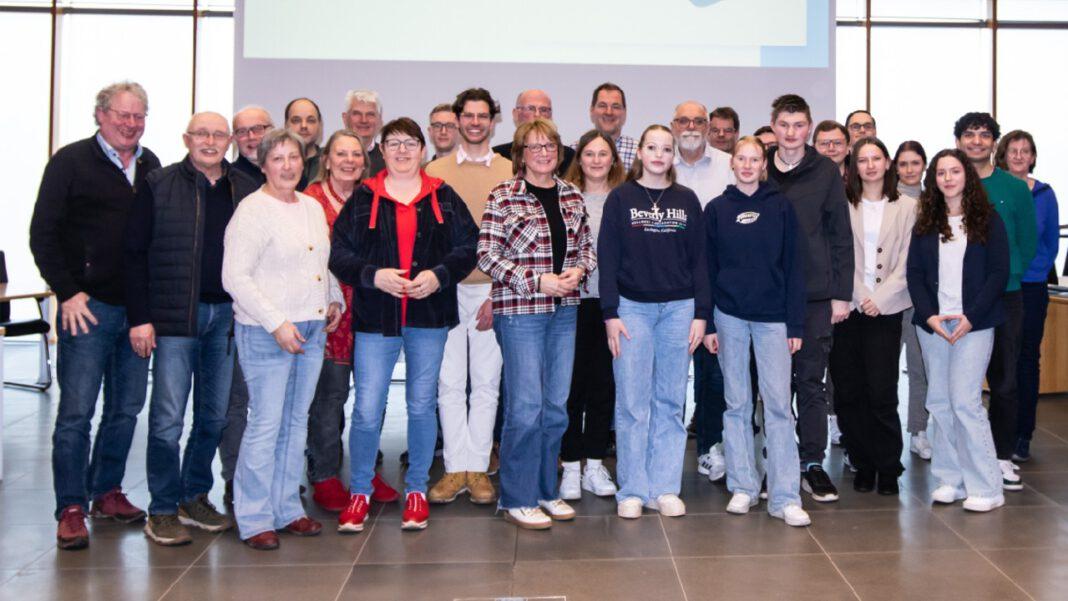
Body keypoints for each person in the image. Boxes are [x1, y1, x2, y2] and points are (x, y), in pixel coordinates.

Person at [330, 118, 479, 533]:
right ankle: (359, 491)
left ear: (422, 148)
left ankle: (416, 488)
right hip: (376, 319)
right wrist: (371, 275)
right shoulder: (363, 198)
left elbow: (470, 246)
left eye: (409, 143)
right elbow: (338, 253)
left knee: (419, 404)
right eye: (393, 143)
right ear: (381, 148)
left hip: (428, 317)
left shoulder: (443, 197)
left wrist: (439, 275)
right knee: (367, 407)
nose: (401, 150)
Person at [29, 81, 160, 551]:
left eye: (139, 116)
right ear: (100, 115)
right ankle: (70, 506)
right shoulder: (70, 162)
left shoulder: (150, 166)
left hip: (137, 313)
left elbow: (153, 241)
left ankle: (106, 491)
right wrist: (68, 292)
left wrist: (149, 310)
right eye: (123, 115)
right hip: (87, 310)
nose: (131, 124)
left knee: (125, 409)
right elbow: (42, 233)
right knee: (76, 413)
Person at [124, 112, 258, 546]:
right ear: (187, 138)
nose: (211, 140)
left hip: (227, 319)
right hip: (175, 319)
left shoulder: (245, 187)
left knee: (214, 416)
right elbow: (135, 252)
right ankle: (162, 508)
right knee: (166, 419)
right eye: (202, 133)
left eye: (219, 134)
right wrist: (140, 318)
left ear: (230, 141)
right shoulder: (159, 185)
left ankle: (194, 496)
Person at [222, 128, 345, 550]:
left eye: (293, 157)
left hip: (310, 328)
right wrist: (276, 322)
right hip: (267, 333)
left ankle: (287, 508)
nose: (288, 166)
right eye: (278, 159)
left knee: (296, 424)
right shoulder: (252, 211)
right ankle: (254, 517)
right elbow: (235, 277)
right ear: (263, 164)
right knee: (265, 424)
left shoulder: (310, 206)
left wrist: (332, 298)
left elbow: (320, 261)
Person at [477, 118, 596, 529]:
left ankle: (546, 490)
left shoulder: (572, 196)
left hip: (565, 310)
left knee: (555, 408)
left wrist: (579, 272)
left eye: (550, 146)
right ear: (520, 155)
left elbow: (586, 250)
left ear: (560, 152)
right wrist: (538, 280)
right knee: (525, 408)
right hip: (521, 312)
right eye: (534, 147)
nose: (544, 153)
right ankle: (517, 496)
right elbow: (488, 256)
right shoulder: (504, 196)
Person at [599, 124, 709, 520]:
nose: (659, 154)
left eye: (666, 148)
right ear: (640, 153)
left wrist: (701, 314)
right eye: (652, 147)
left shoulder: (687, 200)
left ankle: (664, 487)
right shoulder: (620, 198)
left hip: (679, 309)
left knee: (669, 399)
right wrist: (610, 313)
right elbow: (607, 259)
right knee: (631, 401)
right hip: (632, 309)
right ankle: (632, 488)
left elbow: (700, 260)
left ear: (672, 155)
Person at [703, 136, 810, 526]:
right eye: (741, 159)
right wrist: (710, 322)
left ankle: (785, 496)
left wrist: (794, 322)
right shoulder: (715, 210)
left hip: (773, 320)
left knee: (779, 406)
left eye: (754, 159)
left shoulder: (780, 207)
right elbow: (708, 270)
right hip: (729, 316)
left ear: (764, 164)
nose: (747, 165)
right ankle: (743, 487)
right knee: (737, 404)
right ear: (732, 164)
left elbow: (795, 267)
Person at [906, 148, 1009, 513]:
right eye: (941, 173)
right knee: (939, 401)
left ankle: (987, 485)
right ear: (934, 180)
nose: (948, 178)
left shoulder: (988, 220)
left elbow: (998, 274)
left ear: (966, 175)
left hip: (974, 324)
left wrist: (970, 317)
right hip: (934, 324)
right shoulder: (926, 221)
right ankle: (951, 478)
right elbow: (915, 275)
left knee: (965, 402)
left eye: (954, 171)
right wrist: (930, 315)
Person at [424, 89, 513, 506]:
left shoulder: (512, 171)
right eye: (468, 116)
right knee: (448, 382)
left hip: (492, 293)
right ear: (457, 120)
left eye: (483, 116)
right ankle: (454, 467)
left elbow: (517, 241)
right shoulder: (435, 171)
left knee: (487, 384)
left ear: (493, 121)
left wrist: (499, 292)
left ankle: (478, 468)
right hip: (446, 291)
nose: (475, 123)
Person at [766, 94, 853, 504]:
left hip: (816, 295)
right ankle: (779, 464)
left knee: (811, 383)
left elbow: (840, 234)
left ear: (809, 127)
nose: (790, 133)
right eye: (784, 124)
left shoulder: (825, 171)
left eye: (798, 125)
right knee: (774, 385)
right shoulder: (759, 165)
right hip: (766, 296)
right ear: (773, 125)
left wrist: (841, 293)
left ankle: (811, 463)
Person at [828, 137, 917, 495]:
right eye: (861, 160)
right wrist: (860, 295)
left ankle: (888, 466)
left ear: (887, 163)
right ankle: (862, 462)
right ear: (852, 168)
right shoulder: (842, 204)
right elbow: (837, 254)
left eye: (875, 158)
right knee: (849, 391)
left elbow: (909, 260)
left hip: (887, 309)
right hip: (847, 308)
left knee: (881, 391)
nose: (869, 165)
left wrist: (880, 297)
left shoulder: (908, 206)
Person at [954, 112, 1037, 491]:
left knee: (1004, 379)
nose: (976, 141)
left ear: (994, 143)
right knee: (958, 385)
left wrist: (1007, 275)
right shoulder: (949, 181)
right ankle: (958, 456)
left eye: (984, 135)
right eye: (968, 135)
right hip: (959, 299)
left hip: (1006, 296)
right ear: (958, 141)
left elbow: (1027, 241)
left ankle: (1001, 456)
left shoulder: (1015, 187)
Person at [301, 130, 372, 512]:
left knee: (369, 399)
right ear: (326, 159)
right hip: (325, 314)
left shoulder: (373, 198)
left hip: (371, 310)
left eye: (356, 155)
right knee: (328, 399)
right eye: (341, 154)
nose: (349, 161)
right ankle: (325, 474)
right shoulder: (308, 202)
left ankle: (364, 470)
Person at [559, 130, 625, 500]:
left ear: (613, 159)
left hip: (611, 304)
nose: (597, 160)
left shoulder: (625, 198)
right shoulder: (565, 196)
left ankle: (595, 464)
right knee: (571, 388)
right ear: (579, 158)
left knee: (604, 386)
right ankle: (570, 466)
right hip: (572, 302)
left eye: (604, 154)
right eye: (589, 153)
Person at [670, 100, 733, 482]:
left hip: (716, 283)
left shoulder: (728, 166)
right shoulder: (658, 164)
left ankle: (710, 447)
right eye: (684, 120)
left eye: (698, 120)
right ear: (673, 125)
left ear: (708, 127)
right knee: (669, 375)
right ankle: (667, 450)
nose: (691, 126)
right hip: (667, 287)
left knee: (713, 374)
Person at [995, 130, 1060, 462]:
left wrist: (1027, 272)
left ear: (1033, 157)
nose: (1019, 156)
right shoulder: (995, 189)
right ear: (1003, 155)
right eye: (1013, 150)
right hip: (998, 286)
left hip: (1031, 286)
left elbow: (1049, 244)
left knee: (1025, 360)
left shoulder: (1045, 194)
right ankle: (998, 433)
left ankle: (1023, 434)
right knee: (1000, 362)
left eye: (1025, 151)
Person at [894, 140, 933, 460]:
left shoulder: (934, 201)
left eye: (915, 163)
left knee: (919, 367)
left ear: (923, 165)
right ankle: (884, 431)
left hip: (922, 297)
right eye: (903, 164)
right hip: (889, 296)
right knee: (882, 370)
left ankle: (918, 429)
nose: (909, 169)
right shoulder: (885, 198)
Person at [493, 89, 576, 175]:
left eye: (543, 109)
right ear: (515, 114)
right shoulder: (498, 156)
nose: (537, 114)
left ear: (551, 116)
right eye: (530, 108)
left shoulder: (569, 157)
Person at [588, 82, 638, 170]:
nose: (609, 112)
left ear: (624, 113)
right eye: (602, 106)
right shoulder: (574, 151)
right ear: (592, 111)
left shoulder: (640, 152)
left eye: (616, 107)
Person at [342, 89, 386, 175]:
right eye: (357, 114)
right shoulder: (329, 157)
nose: (364, 120)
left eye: (370, 114)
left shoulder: (388, 159)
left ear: (379, 120)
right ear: (345, 118)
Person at [284, 97, 323, 190]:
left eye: (310, 120)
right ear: (286, 125)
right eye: (296, 120)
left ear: (320, 125)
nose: (304, 126)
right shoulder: (275, 163)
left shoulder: (330, 161)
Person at [231, 105, 272, 185]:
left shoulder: (288, 172)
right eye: (242, 131)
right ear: (234, 137)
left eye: (258, 128)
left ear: (272, 130)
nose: (251, 137)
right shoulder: (228, 181)